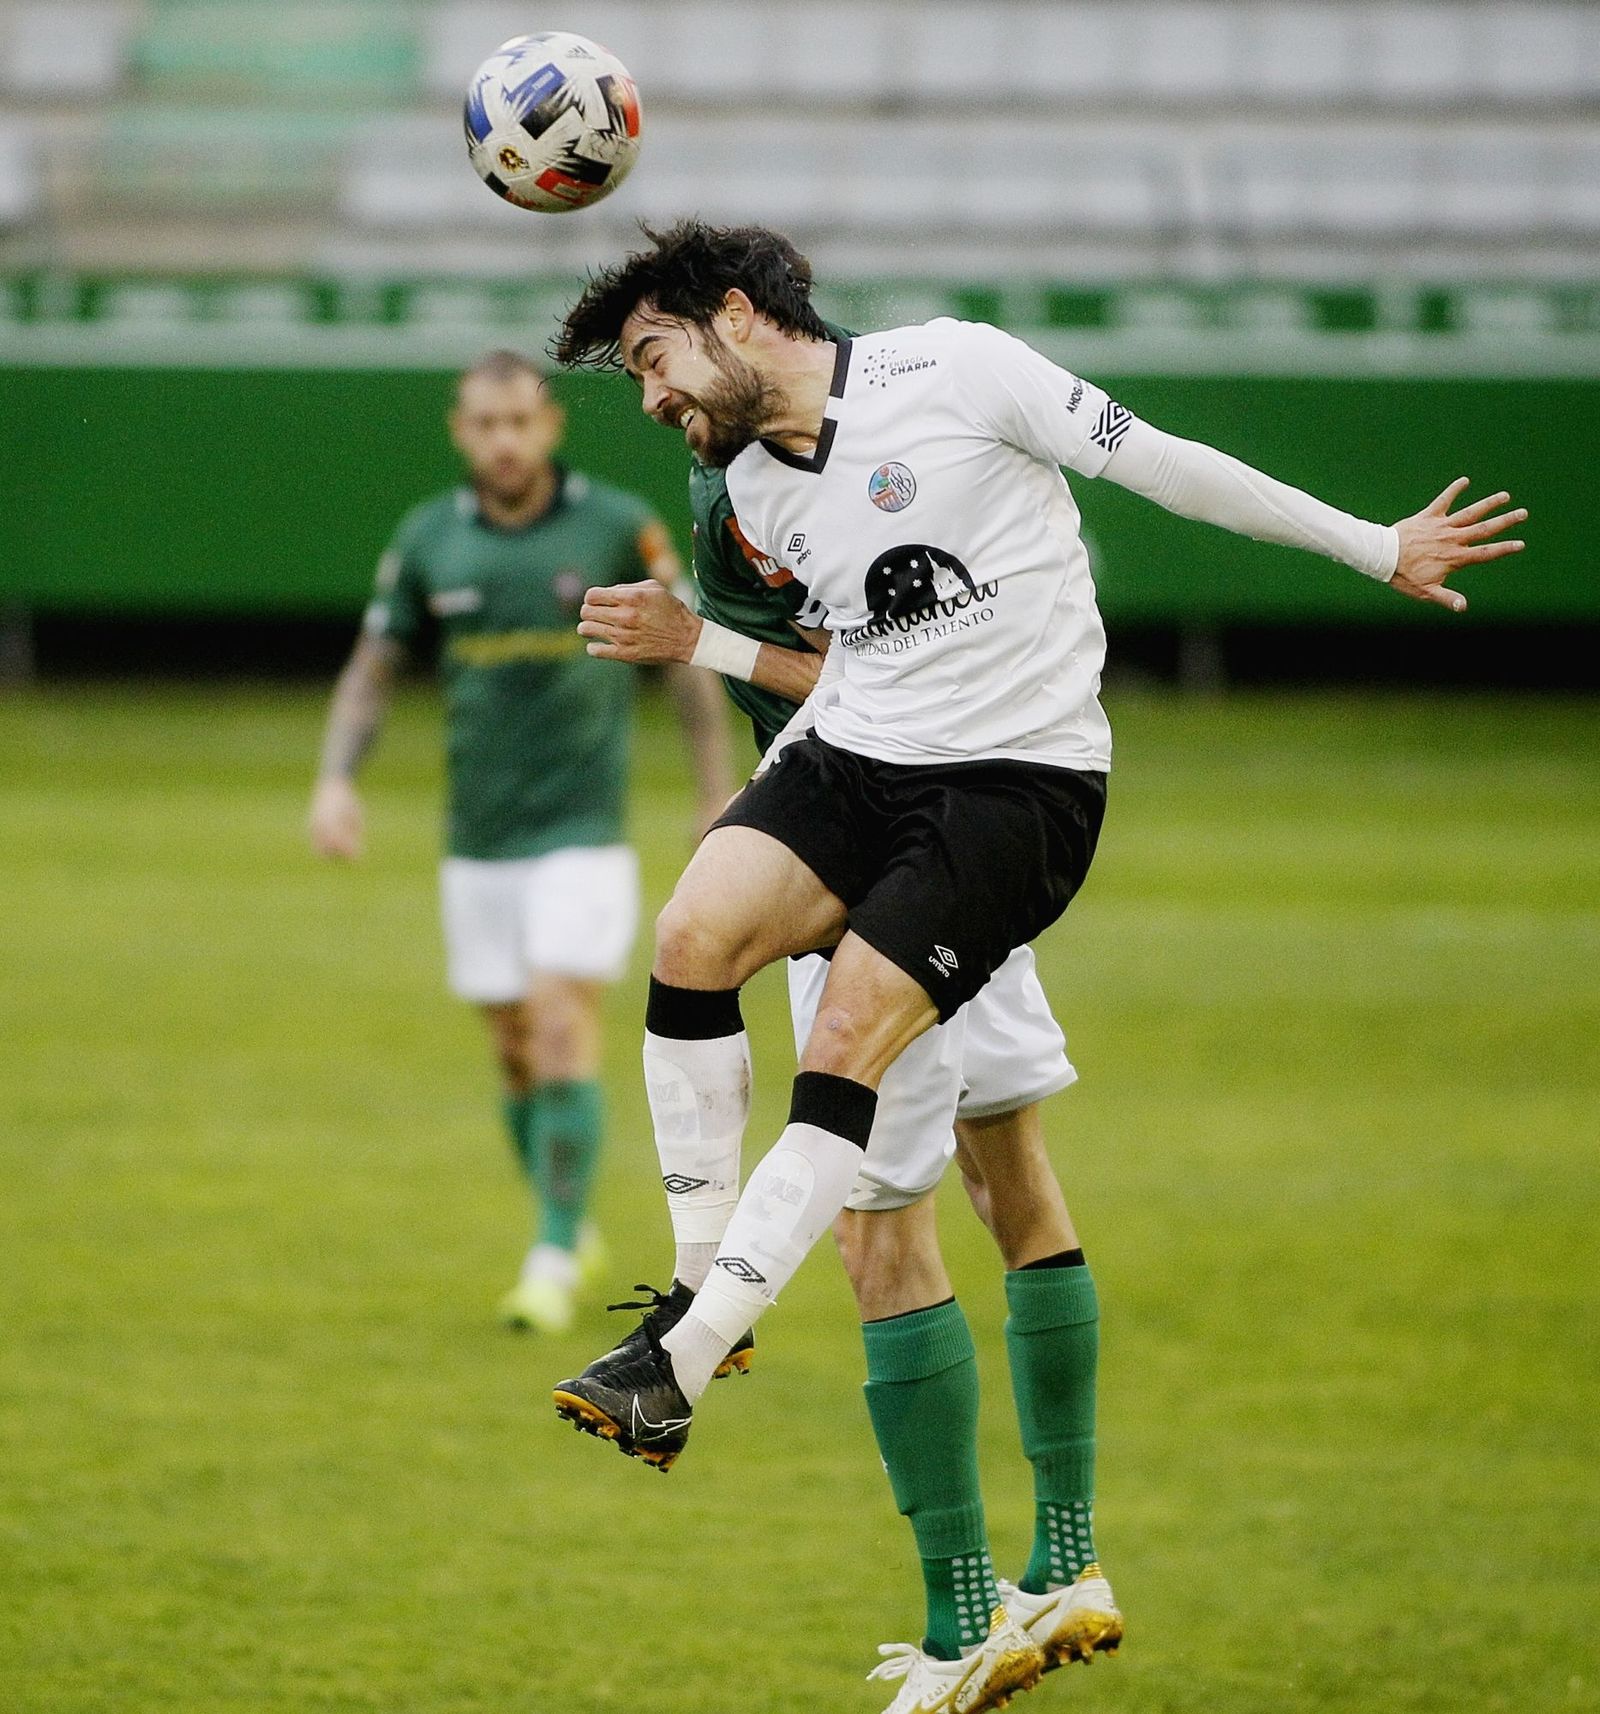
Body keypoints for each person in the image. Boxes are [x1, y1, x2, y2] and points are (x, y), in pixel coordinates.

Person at [547, 221, 1524, 1714]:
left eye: (657, 360)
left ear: (736, 313)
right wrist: (727, 670)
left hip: (1003, 803)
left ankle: (898, 1558)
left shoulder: (962, 366)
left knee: (885, 1191)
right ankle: (1034, 1547)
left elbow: (1172, 462)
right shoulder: (743, 492)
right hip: (867, 784)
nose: (653, 400)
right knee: (915, 1113)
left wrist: (1370, 543)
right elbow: (855, 666)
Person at [576, 461, 1123, 1681]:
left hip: (876, 866)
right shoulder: (829, 464)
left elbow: (868, 680)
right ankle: (1069, 1561)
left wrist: (701, 642)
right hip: (978, 837)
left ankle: (964, 1623)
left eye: (664, 366)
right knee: (1013, 1179)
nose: (663, 403)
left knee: (880, 1232)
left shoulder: (826, 487)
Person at [308, 348, 735, 1335]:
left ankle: (551, 1249)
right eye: (484, 424)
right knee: (511, 1048)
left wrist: (715, 789)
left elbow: (685, 664)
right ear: (462, 431)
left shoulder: (613, 525)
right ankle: (566, 1213)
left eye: (520, 422)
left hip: (581, 832)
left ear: (550, 427)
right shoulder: (428, 541)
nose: (504, 440)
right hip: (477, 838)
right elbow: (374, 670)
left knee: (557, 1022)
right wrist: (336, 780)